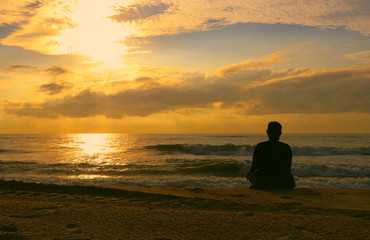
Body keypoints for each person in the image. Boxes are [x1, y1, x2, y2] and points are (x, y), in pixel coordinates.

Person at [247, 121, 295, 189]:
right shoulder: (286, 147)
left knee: (251, 174)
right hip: (284, 182)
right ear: (280, 133)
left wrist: (249, 173)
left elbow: (254, 167)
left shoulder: (261, 146)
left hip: (264, 181)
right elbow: (287, 169)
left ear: (267, 132)